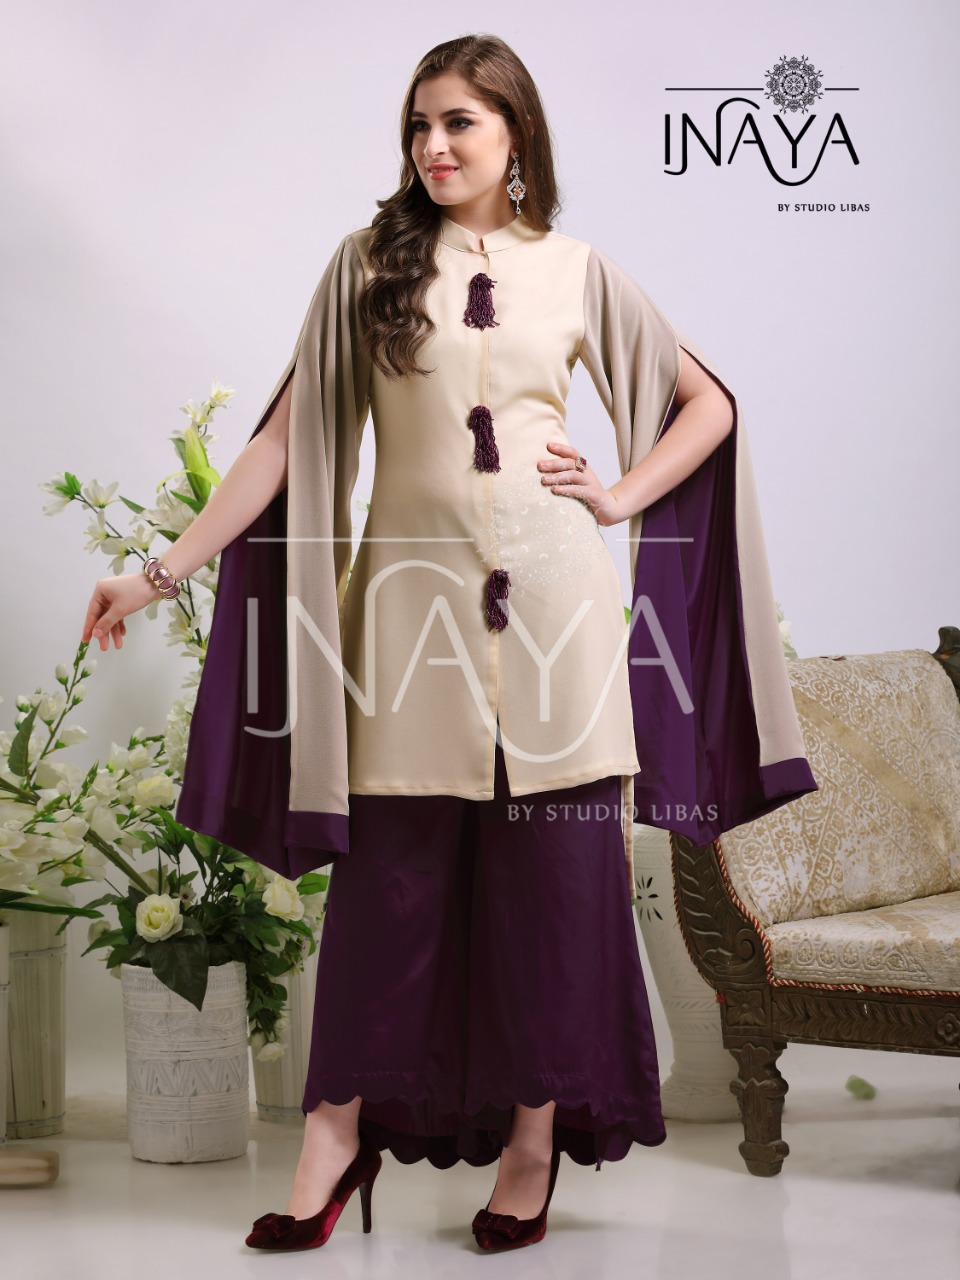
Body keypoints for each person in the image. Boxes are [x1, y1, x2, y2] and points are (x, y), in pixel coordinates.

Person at [81, 32, 817, 1254]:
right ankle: (333, 1137)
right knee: (390, 892)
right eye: (419, 124)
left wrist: (621, 495)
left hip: (556, 619)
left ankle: (532, 1145)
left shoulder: (578, 272)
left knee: (554, 895)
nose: (433, 145)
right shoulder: (367, 265)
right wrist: (157, 574)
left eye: (459, 122)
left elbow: (710, 404)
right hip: (407, 623)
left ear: (514, 136)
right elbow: (281, 443)